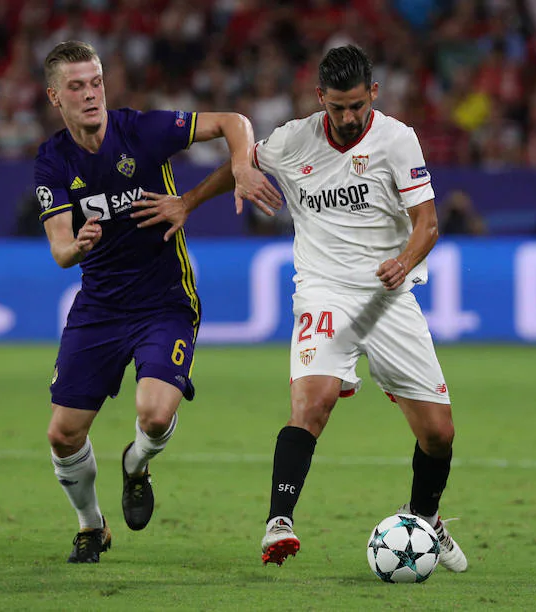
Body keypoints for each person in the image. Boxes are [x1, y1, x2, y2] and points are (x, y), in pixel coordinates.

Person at [135, 45, 468, 572]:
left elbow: (427, 223)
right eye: (337, 107)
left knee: (438, 433)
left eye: (357, 105)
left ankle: (424, 519)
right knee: (314, 402)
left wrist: (403, 262)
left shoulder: (397, 140)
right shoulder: (294, 139)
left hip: (388, 295)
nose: (348, 116)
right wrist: (189, 200)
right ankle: (280, 521)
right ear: (321, 99)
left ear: (373, 95)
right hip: (323, 291)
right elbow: (238, 166)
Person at [34, 41, 281, 564]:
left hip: (164, 301)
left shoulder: (141, 131)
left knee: (152, 414)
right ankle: (91, 525)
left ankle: (137, 464)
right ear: (55, 96)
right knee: (62, 433)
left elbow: (234, 121)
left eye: (96, 81)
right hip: (99, 305)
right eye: (76, 86)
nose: (91, 94)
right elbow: (58, 246)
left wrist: (238, 166)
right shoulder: (53, 159)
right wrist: (74, 246)